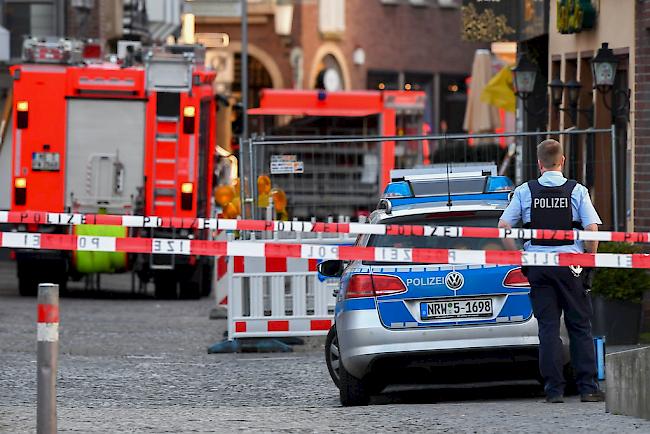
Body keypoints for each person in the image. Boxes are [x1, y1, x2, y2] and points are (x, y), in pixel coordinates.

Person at [498, 139, 605, 404]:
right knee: (579, 326)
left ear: (539, 164)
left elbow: (503, 226)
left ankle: (553, 390)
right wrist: (589, 258)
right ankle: (588, 388)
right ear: (563, 160)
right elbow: (592, 230)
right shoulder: (577, 190)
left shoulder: (525, 191)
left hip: (539, 265)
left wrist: (519, 254)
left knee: (548, 328)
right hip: (571, 265)